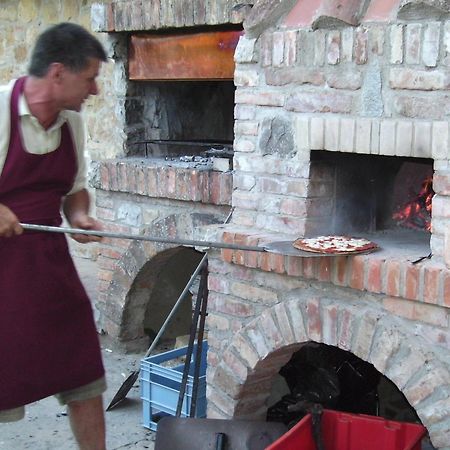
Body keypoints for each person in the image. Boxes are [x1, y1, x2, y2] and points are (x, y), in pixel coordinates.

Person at [0, 23, 108, 450]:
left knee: (84, 372)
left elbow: (74, 188)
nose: (95, 91)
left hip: (47, 263)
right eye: (91, 78)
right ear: (59, 73)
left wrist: (80, 216)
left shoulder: (72, 124)